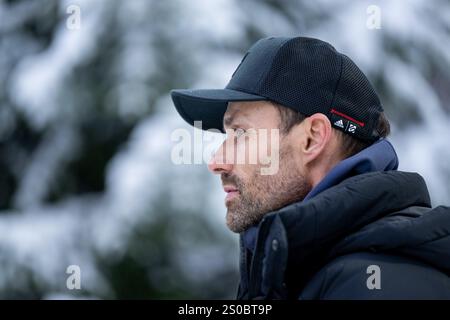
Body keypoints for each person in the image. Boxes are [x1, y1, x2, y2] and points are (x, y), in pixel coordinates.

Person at [171, 37, 450, 299]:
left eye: (241, 134)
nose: (216, 162)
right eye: (226, 136)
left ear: (312, 138)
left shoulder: (380, 286)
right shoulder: (302, 272)